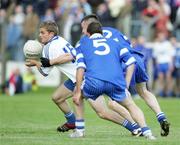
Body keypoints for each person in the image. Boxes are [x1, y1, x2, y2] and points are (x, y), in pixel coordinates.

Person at [25, 20, 141, 136]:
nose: (40, 35)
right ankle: (72, 122)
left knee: (103, 112)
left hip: (86, 78)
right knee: (57, 97)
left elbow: (47, 70)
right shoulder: (60, 40)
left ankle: (133, 127)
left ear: (51, 34)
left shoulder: (49, 48)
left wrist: (36, 63)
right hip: (76, 77)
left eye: (42, 32)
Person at [80, 14, 170, 137]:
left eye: (83, 27)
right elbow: (127, 43)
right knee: (143, 91)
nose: (82, 31)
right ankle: (161, 116)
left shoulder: (90, 39)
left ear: (88, 26)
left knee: (114, 102)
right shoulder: (114, 31)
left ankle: (137, 127)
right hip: (136, 59)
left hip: (123, 63)